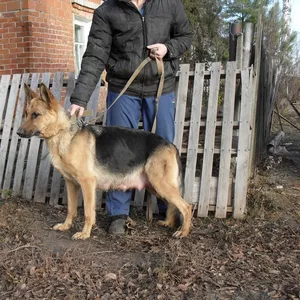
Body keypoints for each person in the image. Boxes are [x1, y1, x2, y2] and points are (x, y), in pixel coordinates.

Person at [69, 0, 192, 234]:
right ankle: (118, 214)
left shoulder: (169, 4)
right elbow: (95, 55)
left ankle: (169, 209)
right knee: (115, 153)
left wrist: (169, 48)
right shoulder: (107, 10)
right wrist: (80, 98)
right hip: (123, 87)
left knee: (163, 149)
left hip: (160, 87)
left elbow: (185, 35)